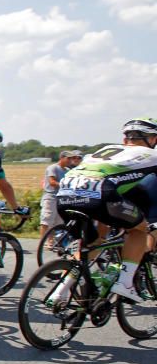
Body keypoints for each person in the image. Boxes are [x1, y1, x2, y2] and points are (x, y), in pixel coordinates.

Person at [56, 118, 157, 303]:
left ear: (125, 138)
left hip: (65, 195)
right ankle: (125, 283)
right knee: (139, 229)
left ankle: (60, 291)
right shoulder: (151, 154)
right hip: (101, 195)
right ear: (152, 139)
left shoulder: (106, 150)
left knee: (92, 243)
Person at [40, 150, 80, 239]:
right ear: (61, 158)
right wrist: (66, 185)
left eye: (71, 159)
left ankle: (51, 240)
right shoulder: (53, 168)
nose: (70, 161)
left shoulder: (68, 170)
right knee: (47, 220)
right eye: (68, 158)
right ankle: (43, 241)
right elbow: (52, 182)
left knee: (58, 222)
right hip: (51, 197)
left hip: (61, 198)